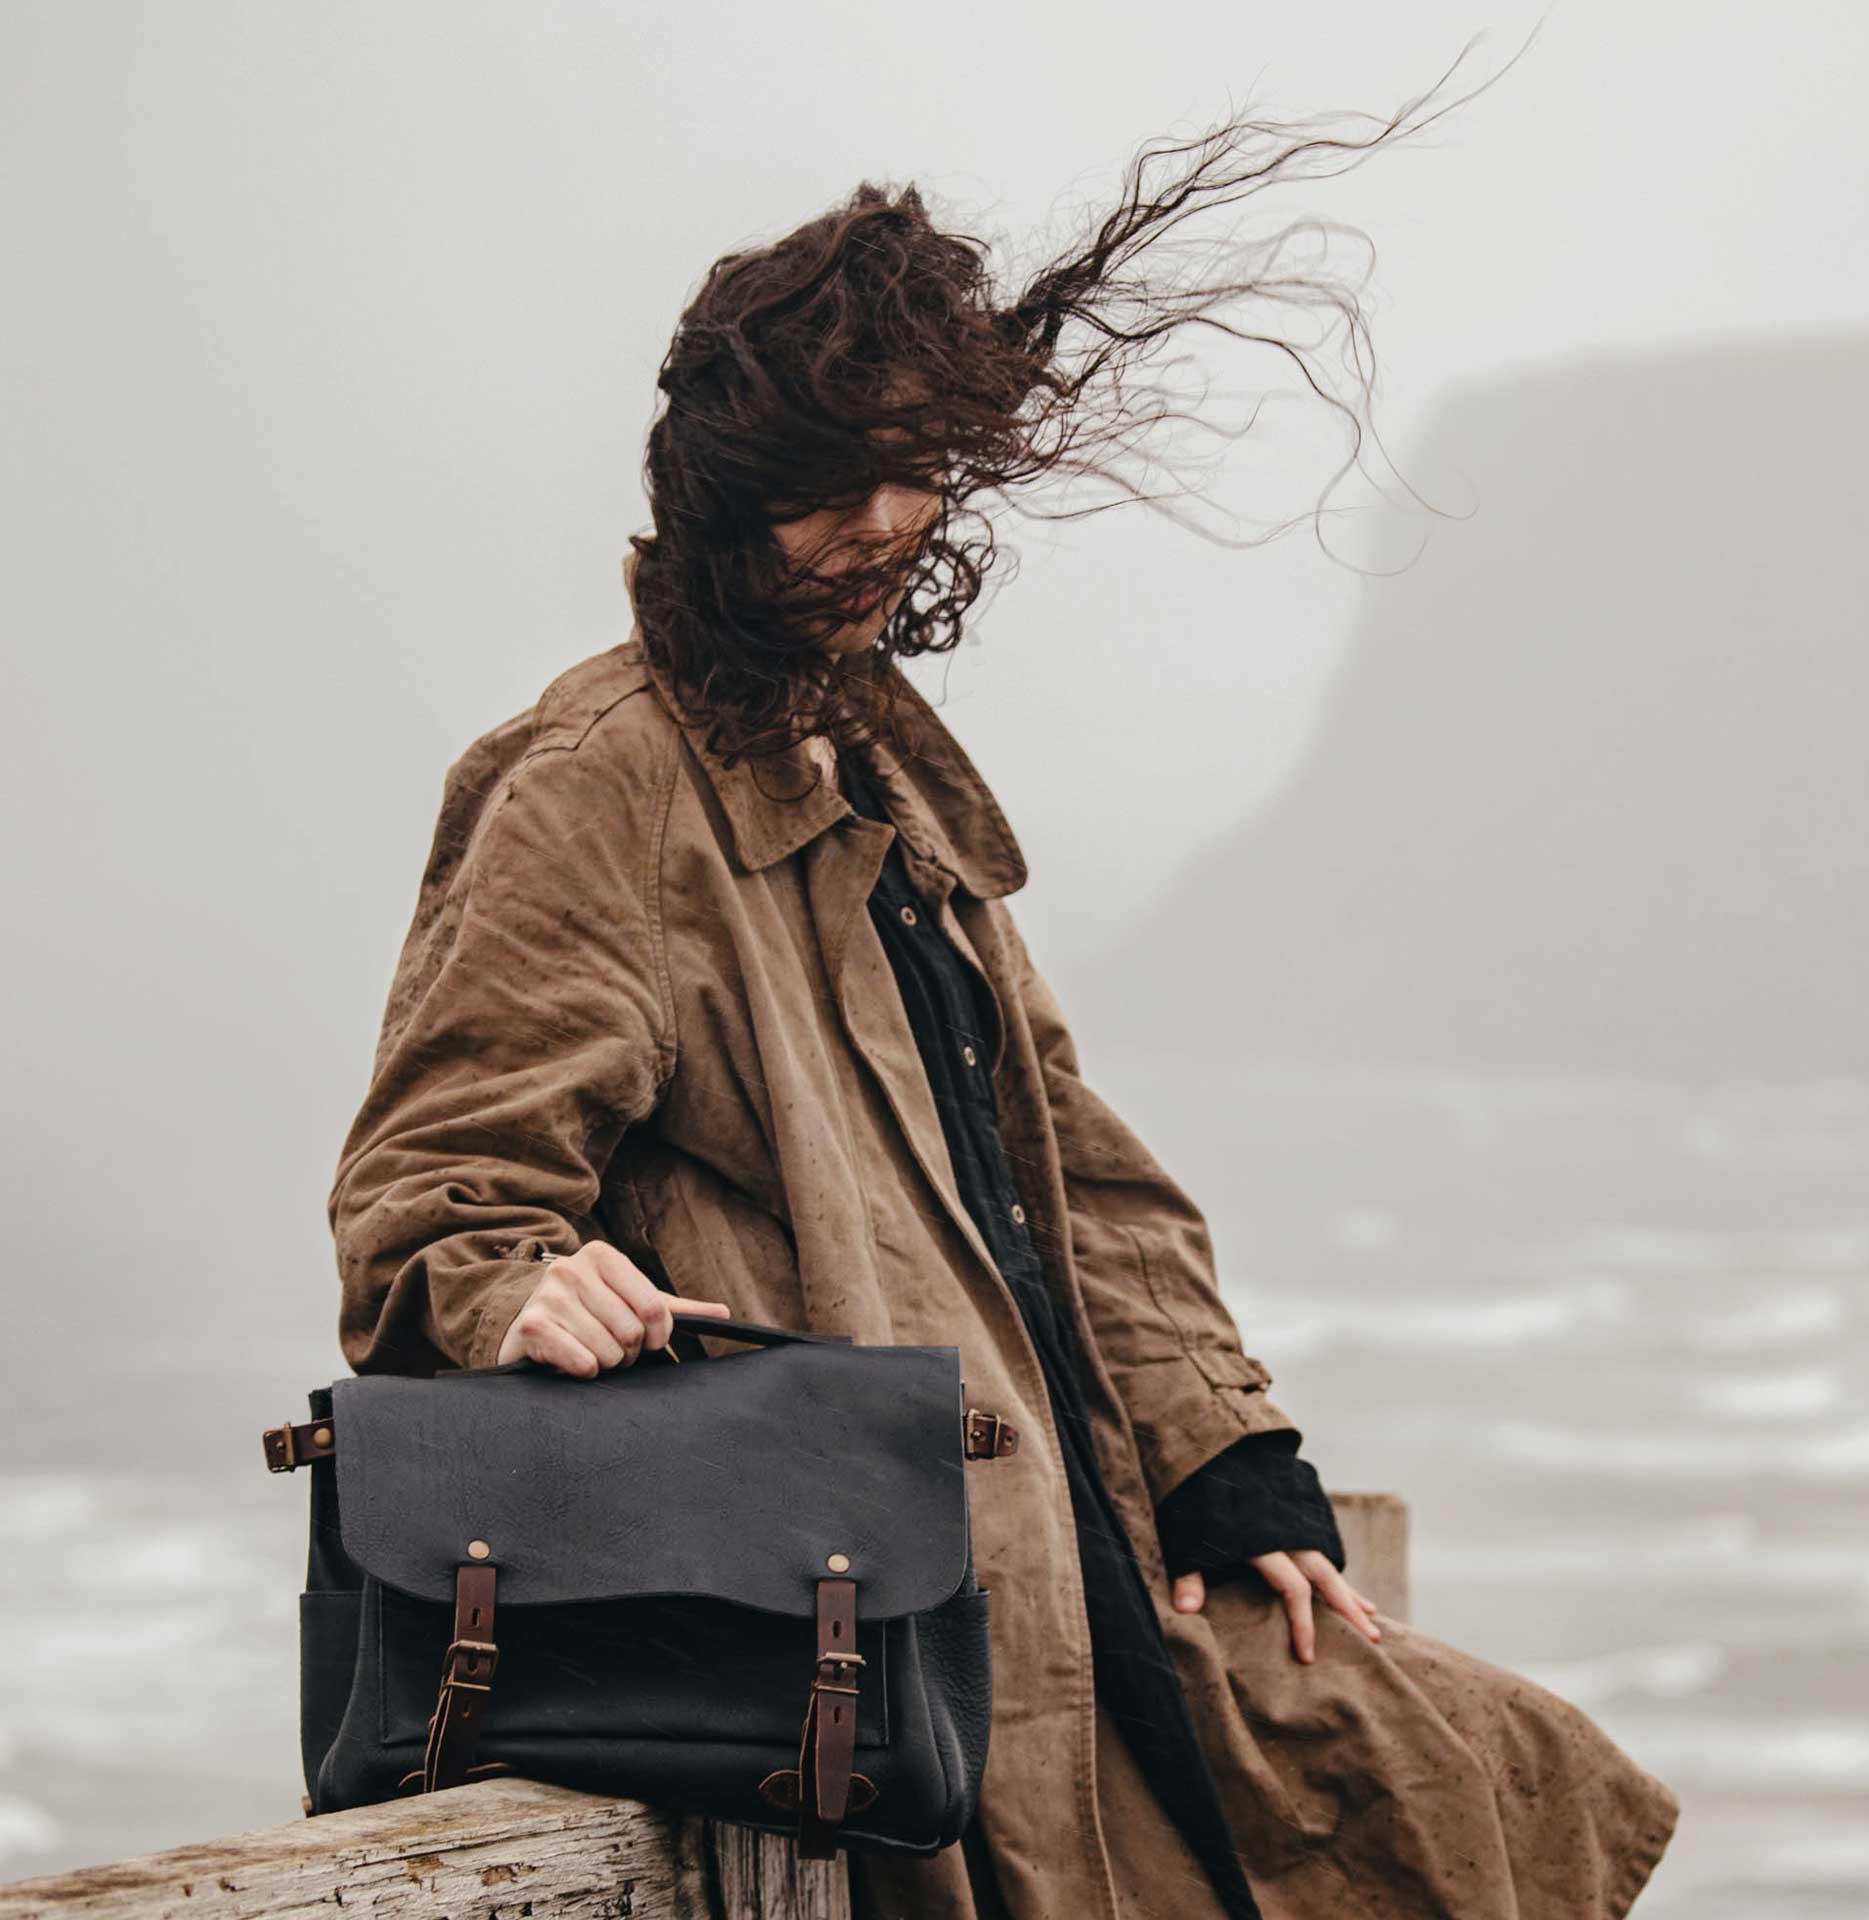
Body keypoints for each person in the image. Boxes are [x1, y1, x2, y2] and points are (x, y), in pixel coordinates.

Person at [329, 74, 1679, 1920]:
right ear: (725, 486)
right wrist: (512, 1285)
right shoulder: (598, 787)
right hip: (844, 1626)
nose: (886, 523)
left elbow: (1069, 1169)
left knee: (1473, 1773)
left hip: (1059, 1561)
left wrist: (1228, 1452)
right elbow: (432, 1196)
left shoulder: (877, 769)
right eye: (833, 481)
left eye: (917, 472)